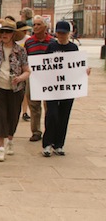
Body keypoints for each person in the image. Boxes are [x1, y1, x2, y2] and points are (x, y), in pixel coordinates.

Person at [0, 19, 30, 162]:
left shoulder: (20, 51)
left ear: (13, 34)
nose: (5, 34)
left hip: (15, 89)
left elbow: (27, 71)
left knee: (13, 116)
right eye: (3, 31)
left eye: (8, 32)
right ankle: (0, 147)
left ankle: (10, 140)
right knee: (0, 115)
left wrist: (20, 78)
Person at [42, 21, 90, 157]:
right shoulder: (51, 46)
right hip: (52, 87)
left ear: (69, 33)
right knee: (52, 115)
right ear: (56, 33)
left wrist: (84, 71)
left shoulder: (73, 47)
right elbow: (44, 64)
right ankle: (47, 143)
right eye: (59, 33)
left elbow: (77, 65)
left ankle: (59, 144)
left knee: (64, 115)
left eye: (64, 33)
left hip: (68, 88)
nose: (61, 36)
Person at [24, 15, 56, 142]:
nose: (36, 27)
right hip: (34, 77)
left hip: (49, 78)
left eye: (38, 24)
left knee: (49, 106)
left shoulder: (52, 42)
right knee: (34, 105)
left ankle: (50, 130)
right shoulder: (29, 42)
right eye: (34, 25)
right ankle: (36, 131)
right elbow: (25, 58)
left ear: (45, 27)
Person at [15, 21, 32, 122]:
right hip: (15, 68)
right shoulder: (13, 40)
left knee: (25, 91)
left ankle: (25, 111)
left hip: (26, 67)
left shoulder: (29, 40)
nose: (25, 32)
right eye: (23, 30)